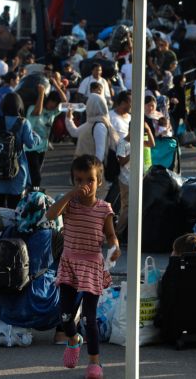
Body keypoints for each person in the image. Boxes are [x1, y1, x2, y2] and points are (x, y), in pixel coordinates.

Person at [45, 155, 121, 378]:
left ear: (100, 182)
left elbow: (111, 236)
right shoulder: (69, 204)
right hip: (69, 262)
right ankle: (72, 339)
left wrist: (115, 247)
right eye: (78, 180)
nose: (84, 185)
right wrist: (69, 195)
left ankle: (95, 363)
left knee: (88, 317)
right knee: (66, 315)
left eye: (90, 180)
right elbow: (50, 215)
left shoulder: (104, 208)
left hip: (91, 265)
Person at [0, 93, 40, 208]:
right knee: (14, 209)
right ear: (20, 106)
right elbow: (30, 144)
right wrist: (36, 137)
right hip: (16, 174)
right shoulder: (23, 123)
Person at [116, 121, 155, 238]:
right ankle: (117, 232)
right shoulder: (123, 143)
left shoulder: (140, 140)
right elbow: (121, 161)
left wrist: (148, 130)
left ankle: (125, 230)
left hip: (138, 178)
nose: (141, 134)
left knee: (132, 206)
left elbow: (152, 144)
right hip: (126, 179)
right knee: (127, 207)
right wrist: (133, 150)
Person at [25, 90, 65, 190]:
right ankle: (34, 196)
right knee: (36, 177)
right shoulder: (33, 109)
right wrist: (41, 92)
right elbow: (37, 111)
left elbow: (65, 102)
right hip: (30, 148)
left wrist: (55, 83)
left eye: (55, 104)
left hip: (42, 147)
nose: (53, 106)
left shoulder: (52, 112)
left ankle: (31, 193)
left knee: (35, 174)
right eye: (52, 102)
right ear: (47, 100)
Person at [66, 93, 119, 163]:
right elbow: (74, 132)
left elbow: (100, 155)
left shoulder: (99, 126)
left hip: (91, 169)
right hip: (85, 167)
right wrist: (69, 118)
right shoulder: (91, 122)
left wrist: (94, 171)